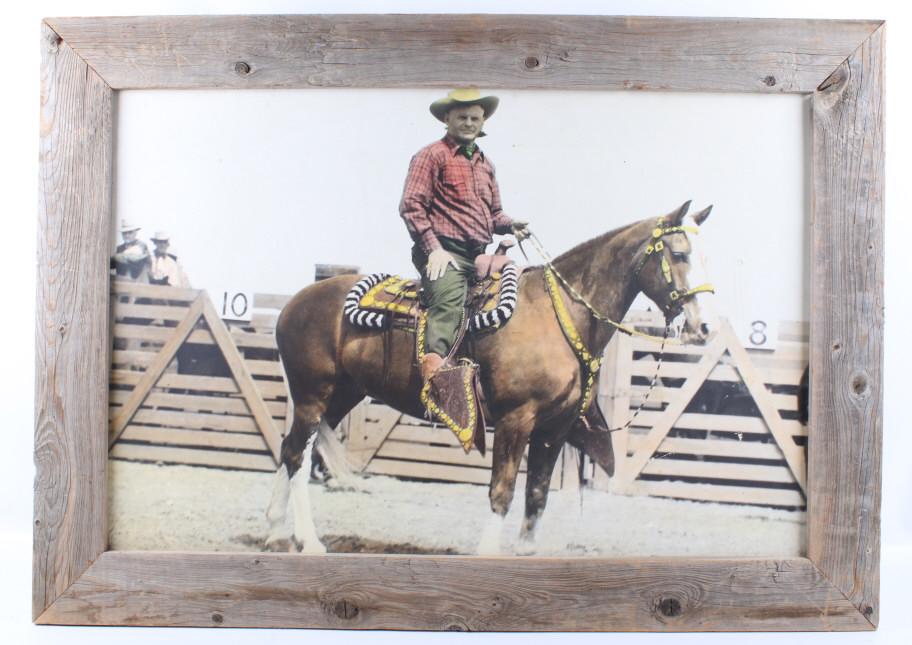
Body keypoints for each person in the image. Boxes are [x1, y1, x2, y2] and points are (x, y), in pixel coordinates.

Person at [399, 88, 529, 386]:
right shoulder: (431, 155)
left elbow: (495, 214)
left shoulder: (486, 164)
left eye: (475, 118)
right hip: (442, 251)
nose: (469, 123)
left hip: (479, 256)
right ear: (447, 118)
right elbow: (411, 205)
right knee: (448, 304)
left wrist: (511, 226)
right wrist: (433, 250)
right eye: (462, 117)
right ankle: (436, 380)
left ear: (483, 122)